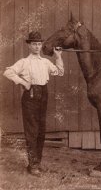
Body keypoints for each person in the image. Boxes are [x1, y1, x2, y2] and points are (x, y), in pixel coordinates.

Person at [3, 31, 64, 177]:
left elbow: (60, 72)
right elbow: (8, 72)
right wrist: (24, 82)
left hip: (43, 95)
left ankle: (37, 163)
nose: (37, 47)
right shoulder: (24, 62)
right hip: (30, 96)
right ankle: (32, 165)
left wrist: (58, 56)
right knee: (32, 131)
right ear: (29, 46)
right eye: (34, 44)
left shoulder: (45, 62)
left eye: (39, 44)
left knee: (41, 131)